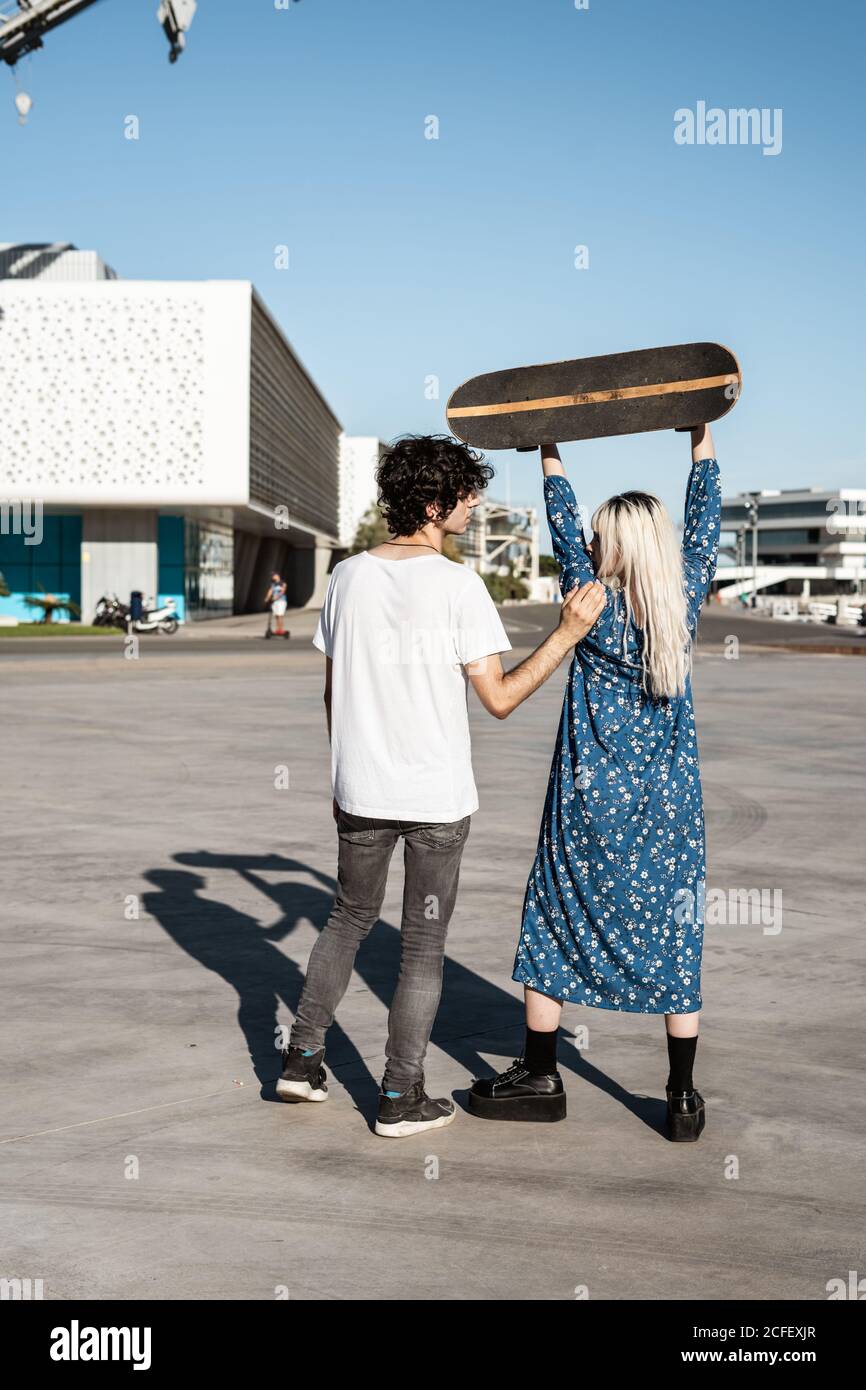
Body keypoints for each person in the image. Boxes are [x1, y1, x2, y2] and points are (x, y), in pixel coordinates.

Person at [278, 435, 606, 1137]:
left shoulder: (346, 577)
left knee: (346, 919)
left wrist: (346, 768)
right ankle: (399, 1096)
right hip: (434, 800)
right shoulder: (460, 585)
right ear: (433, 504)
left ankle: (302, 1060)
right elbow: (499, 697)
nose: (476, 503)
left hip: (359, 790)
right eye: (466, 494)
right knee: (422, 949)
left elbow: (332, 693)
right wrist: (567, 633)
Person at [469, 425, 721, 1142]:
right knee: (677, 932)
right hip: (671, 811)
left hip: (586, 806)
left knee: (554, 918)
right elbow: (706, 516)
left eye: (598, 536)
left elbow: (559, 516)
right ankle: (681, 1095)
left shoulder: (589, 603)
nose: (588, 540)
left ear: (613, 547)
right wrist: (701, 436)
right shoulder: (685, 602)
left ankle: (542, 1075)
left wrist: (548, 444)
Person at [264, 573, 288, 639]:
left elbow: (283, 591)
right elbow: (270, 591)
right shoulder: (273, 584)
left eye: (274, 576)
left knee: (280, 615)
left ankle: (281, 629)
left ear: (278, 576)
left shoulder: (282, 583)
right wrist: (267, 598)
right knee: (276, 615)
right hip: (275, 602)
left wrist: (277, 597)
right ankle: (278, 629)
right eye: (272, 576)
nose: (273, 577)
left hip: (281, 601)